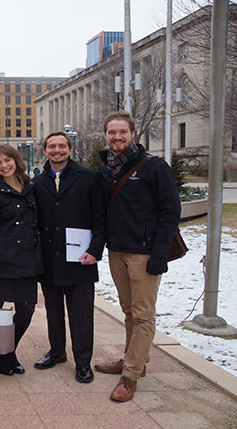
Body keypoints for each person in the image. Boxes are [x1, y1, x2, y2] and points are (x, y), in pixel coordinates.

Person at [94, 111, 181, 402]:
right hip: (117, 251)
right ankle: (134, 361)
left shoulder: (154, 167)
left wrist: (159, 255)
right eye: (111, 132)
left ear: (133, 134)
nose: (117, 137)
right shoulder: (107, 167)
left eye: (122, 132)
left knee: (143, 315)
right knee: (129, 311)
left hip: (144, 255)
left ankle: (130, 375)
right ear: (105, 135)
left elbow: (170, 213)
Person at [32, 131, 106, 383]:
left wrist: (95, 251)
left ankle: (83, 362)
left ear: (70, 149)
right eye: (51, 146)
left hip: (81, 258)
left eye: (61, 146)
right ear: (45, 151)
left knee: (81, 314)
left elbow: (100, 218)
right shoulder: (38, 182)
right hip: (50, 260)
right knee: (53, 311)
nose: (57, 150)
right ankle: (56, 352)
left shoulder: (90, 178)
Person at [0, 144, 43, 375]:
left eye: (7, 160)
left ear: (16, 160)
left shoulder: (29, 186)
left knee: (26, 311)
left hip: (27, 260)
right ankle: (1, 354)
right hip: (1, 261)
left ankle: (7, 350)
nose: (4, 165)